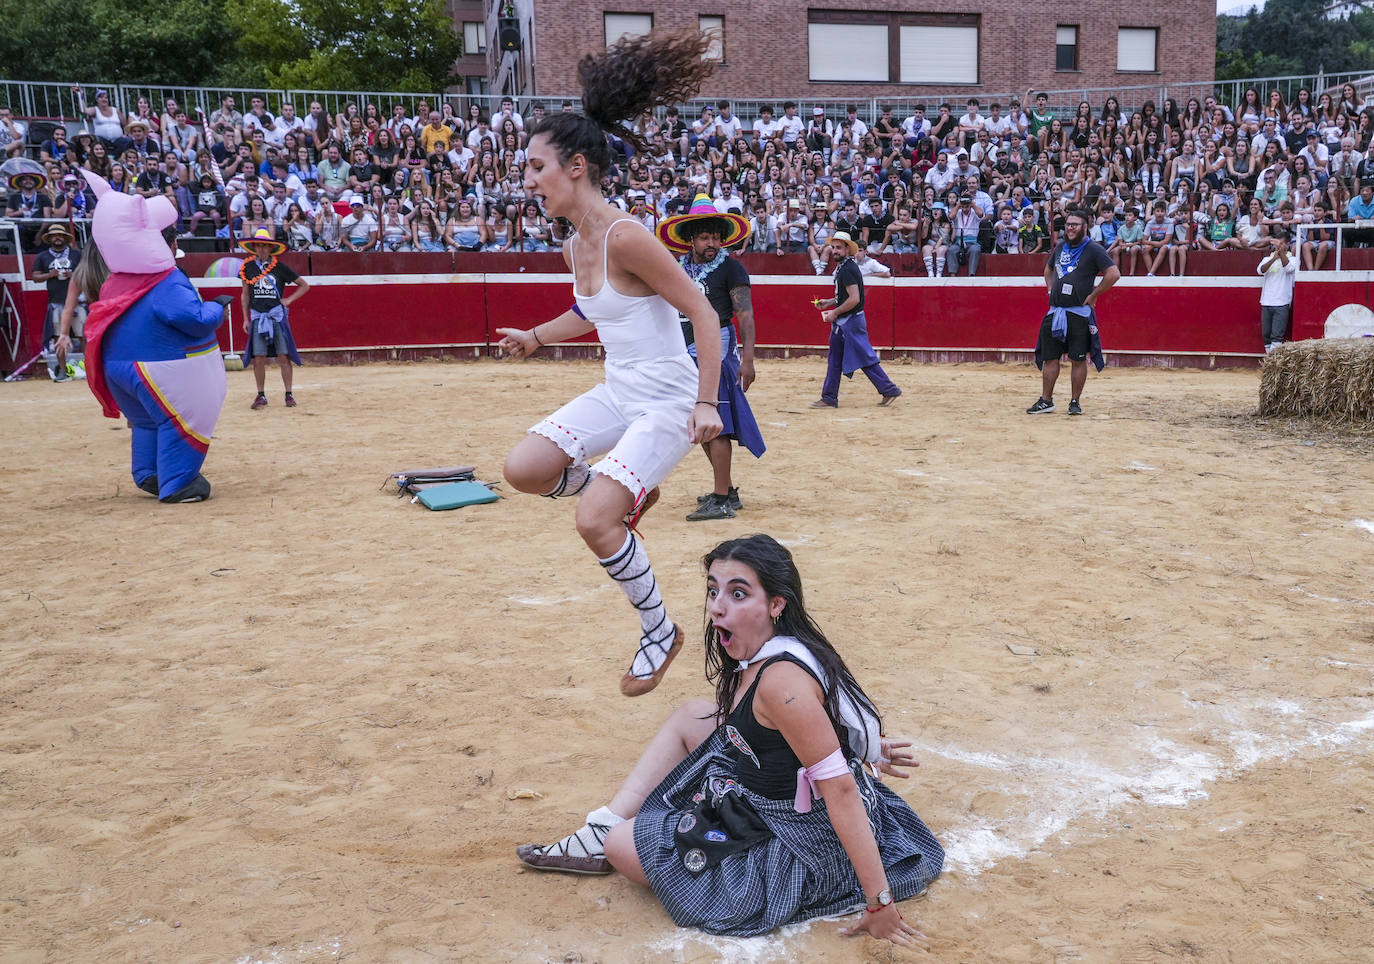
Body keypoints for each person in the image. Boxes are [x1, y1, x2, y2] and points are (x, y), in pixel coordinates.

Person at [515, 534, 944, 945]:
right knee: (691, 716)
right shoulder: (765, 650)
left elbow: (842, 790)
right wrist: (857, 746)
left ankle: (606, 836)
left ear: (777, 604)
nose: (717, 608)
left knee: (622, 846)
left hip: (796, 833)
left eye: (738, 594)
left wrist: (880, 903)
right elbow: (820, 716)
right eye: (713, 590)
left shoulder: (781, 682)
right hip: (771, 785)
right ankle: (603, 822)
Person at [494, 32, 723, 698]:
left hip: (668, 402)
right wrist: (537, 337)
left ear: (577, 166)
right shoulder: (575, 244)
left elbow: (703, 316)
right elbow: (592, 314)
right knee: (525, 469)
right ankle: (624, 490)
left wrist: (706, 404)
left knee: (593, 519)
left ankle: (659, 628)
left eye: (536, 167)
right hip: (620, 390)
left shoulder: (627, 235)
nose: (528, 180)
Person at [657, 195, 765, 521]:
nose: (712, 243)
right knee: (704, 423)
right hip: (687, 354)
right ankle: (726, 491)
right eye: (705, 237)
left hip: (716, 354)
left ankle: (721, 498)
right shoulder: (680, 267)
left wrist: (748, 360)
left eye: (717, 237)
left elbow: (744, 315)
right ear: (691, 238)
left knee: (715, 426)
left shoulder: (731, 267)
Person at [1028, 207, 1120, 416]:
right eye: (1068, 224)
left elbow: (1113, 274)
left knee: (1078, 359)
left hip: (1078, 313)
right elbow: (1048, 269)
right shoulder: (1061, 246)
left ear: (1085, 227)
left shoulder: (1094, 249)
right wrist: (1051, 290)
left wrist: (1095, 295)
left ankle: (1074, 401)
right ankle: (1046, 400)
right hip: (1056, 311)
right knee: (1050, 357)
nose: (1070, 228)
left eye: (1074, 225)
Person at [808, 231, 901, 409]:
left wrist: (835, 312)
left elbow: (854, 299)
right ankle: (830, 397)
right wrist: (830, 302)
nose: (835, 251)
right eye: (833, 248)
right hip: (848, 321)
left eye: (838, 248)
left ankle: (887, 389)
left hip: (849, 322)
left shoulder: (848, 270)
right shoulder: (846, 267)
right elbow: (846, 297)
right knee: (843, 359)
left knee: (860, 358)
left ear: (847, 250)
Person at [238, 229, 310, 409]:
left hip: (276, 316)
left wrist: (289, 300)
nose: (261, 249)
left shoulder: (280, 267)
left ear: (270, 248)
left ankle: (289, 394)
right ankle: (261, 395)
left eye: (264, 246)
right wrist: (246, 319)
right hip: (257, 315)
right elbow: (245, 294)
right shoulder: (247, 267)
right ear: (254, 247)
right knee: (259, 357)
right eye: (259, 246)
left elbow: (304, 285)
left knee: (283, 356)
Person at [32, 224, 83, 380]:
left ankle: (90, 367)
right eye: (54, 235)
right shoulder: (43, 256)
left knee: (84, 336)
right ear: (49, 239)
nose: (57, 237)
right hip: (56, 302)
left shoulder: (76, 255)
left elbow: (85, 273)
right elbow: (35, 277)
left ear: (65, 237)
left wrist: (72, 275)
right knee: (58, 336)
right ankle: (62, 370)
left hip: (78, 301)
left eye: (60, 235)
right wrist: (50, 274)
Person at [1257, 229, 1297, 353]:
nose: (1278, 247)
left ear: (1287, 244)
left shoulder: (1293, 259)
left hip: (1282, 302)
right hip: (1266, 301)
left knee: (1277, 335)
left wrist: (1280, 254)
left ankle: (1273, 363)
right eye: (1277, 244)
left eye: (1281, 244)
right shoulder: (1267, 258)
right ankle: (1270, 361)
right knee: (1266, 335)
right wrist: (1274, 258)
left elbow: (1289, 268)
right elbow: (1260, 271)